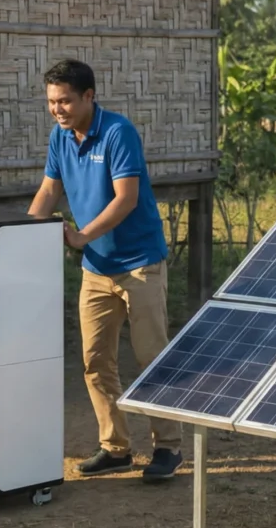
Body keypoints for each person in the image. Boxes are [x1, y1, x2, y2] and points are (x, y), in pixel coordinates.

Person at [28, 59, 182, 481]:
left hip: (139, 265)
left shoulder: (118, 133)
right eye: (51, 102)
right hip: (97, 270)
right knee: (95, 360)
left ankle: (168, 447)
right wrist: (22, 236)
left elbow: (125, 199)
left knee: (152, 357)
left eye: (65, 101)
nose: (57, 109)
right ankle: (115, 448)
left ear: (89, 97)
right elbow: (48, 190)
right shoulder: (60, 138)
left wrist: (79, 237)